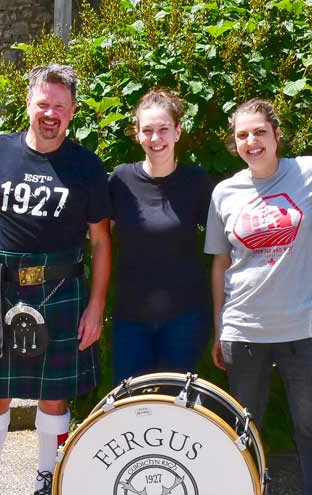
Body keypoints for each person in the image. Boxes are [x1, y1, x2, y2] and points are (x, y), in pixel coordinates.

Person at [0, 64, 112, 495]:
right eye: (43, 103)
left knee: (54, 397)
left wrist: (96, 304)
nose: (50, 114)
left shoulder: (86, 166)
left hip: (61, 288)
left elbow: (101, 241)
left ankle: (47, 485)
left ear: (73, 113)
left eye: (60, 107)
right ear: (28, 103)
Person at [204, 99, 312, 495]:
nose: (251, 142)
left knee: (311, 428)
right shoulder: (225, 192)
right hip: (245, 328)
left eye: (259, 132)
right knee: (245, 427)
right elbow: (221, 263)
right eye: (242, 135)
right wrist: (220, 327)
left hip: (305, 327)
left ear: (276, 134)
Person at [108, 89, 213, 383]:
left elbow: (220, 246)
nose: (156, 139)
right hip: (130, 318)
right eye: (148, 131)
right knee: (129, 403)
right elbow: (102, 240)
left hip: (185, 317)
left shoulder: (196, 182)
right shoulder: (121, 180)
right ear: (138, 135)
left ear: (178, 132)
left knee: (176, 404)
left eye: (164, 129)